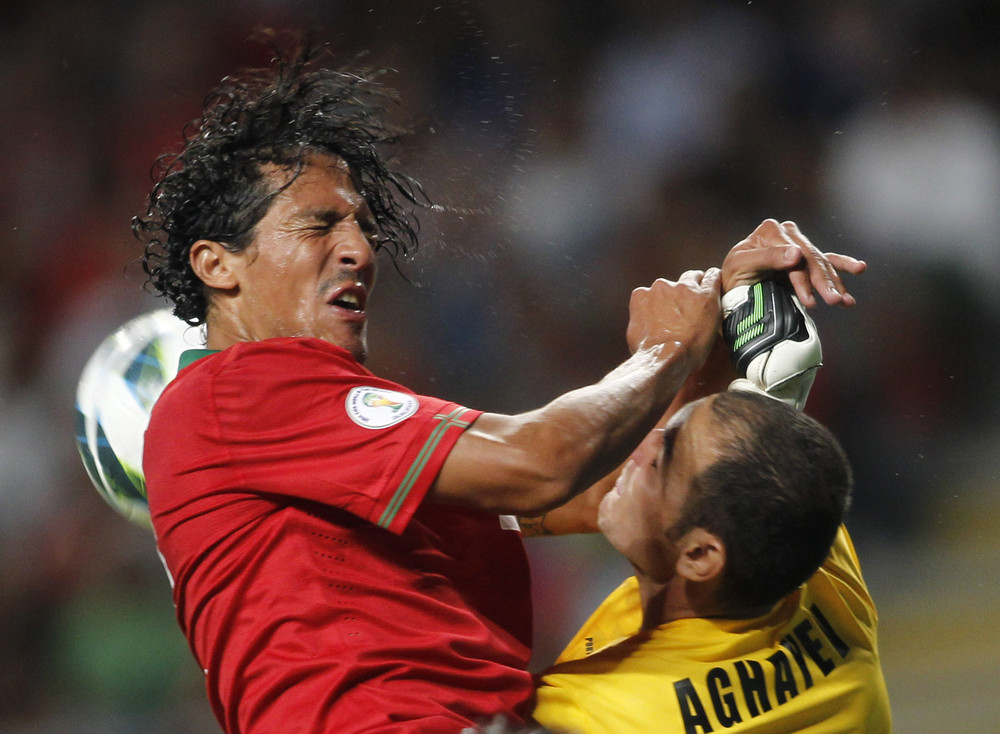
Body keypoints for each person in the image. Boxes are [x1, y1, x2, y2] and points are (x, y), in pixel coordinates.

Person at [134, 36, 864, 734]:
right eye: (318, 225)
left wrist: (728, 329)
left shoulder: (328, 441)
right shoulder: (231, 391)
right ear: (216, 264)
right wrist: (669, 349)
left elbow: (618, 491)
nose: (359, 249)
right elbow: (541, 462)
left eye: (362, 227)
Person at [532, 390, 891, 733]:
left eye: (659, 462)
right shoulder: (826, 574)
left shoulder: (587, 714)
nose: (640, 446)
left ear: (699, 555)